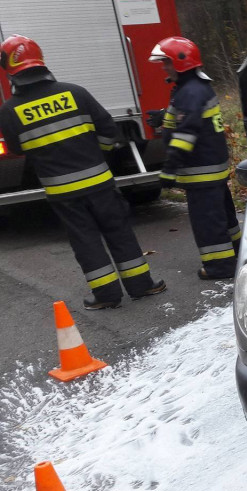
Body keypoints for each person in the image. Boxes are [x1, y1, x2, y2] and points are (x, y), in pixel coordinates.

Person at [0, 35, 165, 310]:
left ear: (10, 70)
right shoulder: (76, 92)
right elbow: (109, 133)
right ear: (41, 62)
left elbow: (18, 148)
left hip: (62, 192)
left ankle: (107, 296)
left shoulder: (9, 111)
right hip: (100, 182)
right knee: (119, 232)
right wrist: (96, 155)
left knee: (85, 240)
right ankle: (142, 286)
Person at [147, 36, 240, 280]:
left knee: (208, 222)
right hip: (212, 167)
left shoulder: (190, 91)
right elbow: (188, 117)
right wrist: (162, 117)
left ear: (180, 63)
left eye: (166, 63)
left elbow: (185, 134)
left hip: (202, 169)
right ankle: (238, 255)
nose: (164, 68)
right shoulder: (193, 87)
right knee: (224, 217)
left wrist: (169, 168)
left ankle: (220, 267)